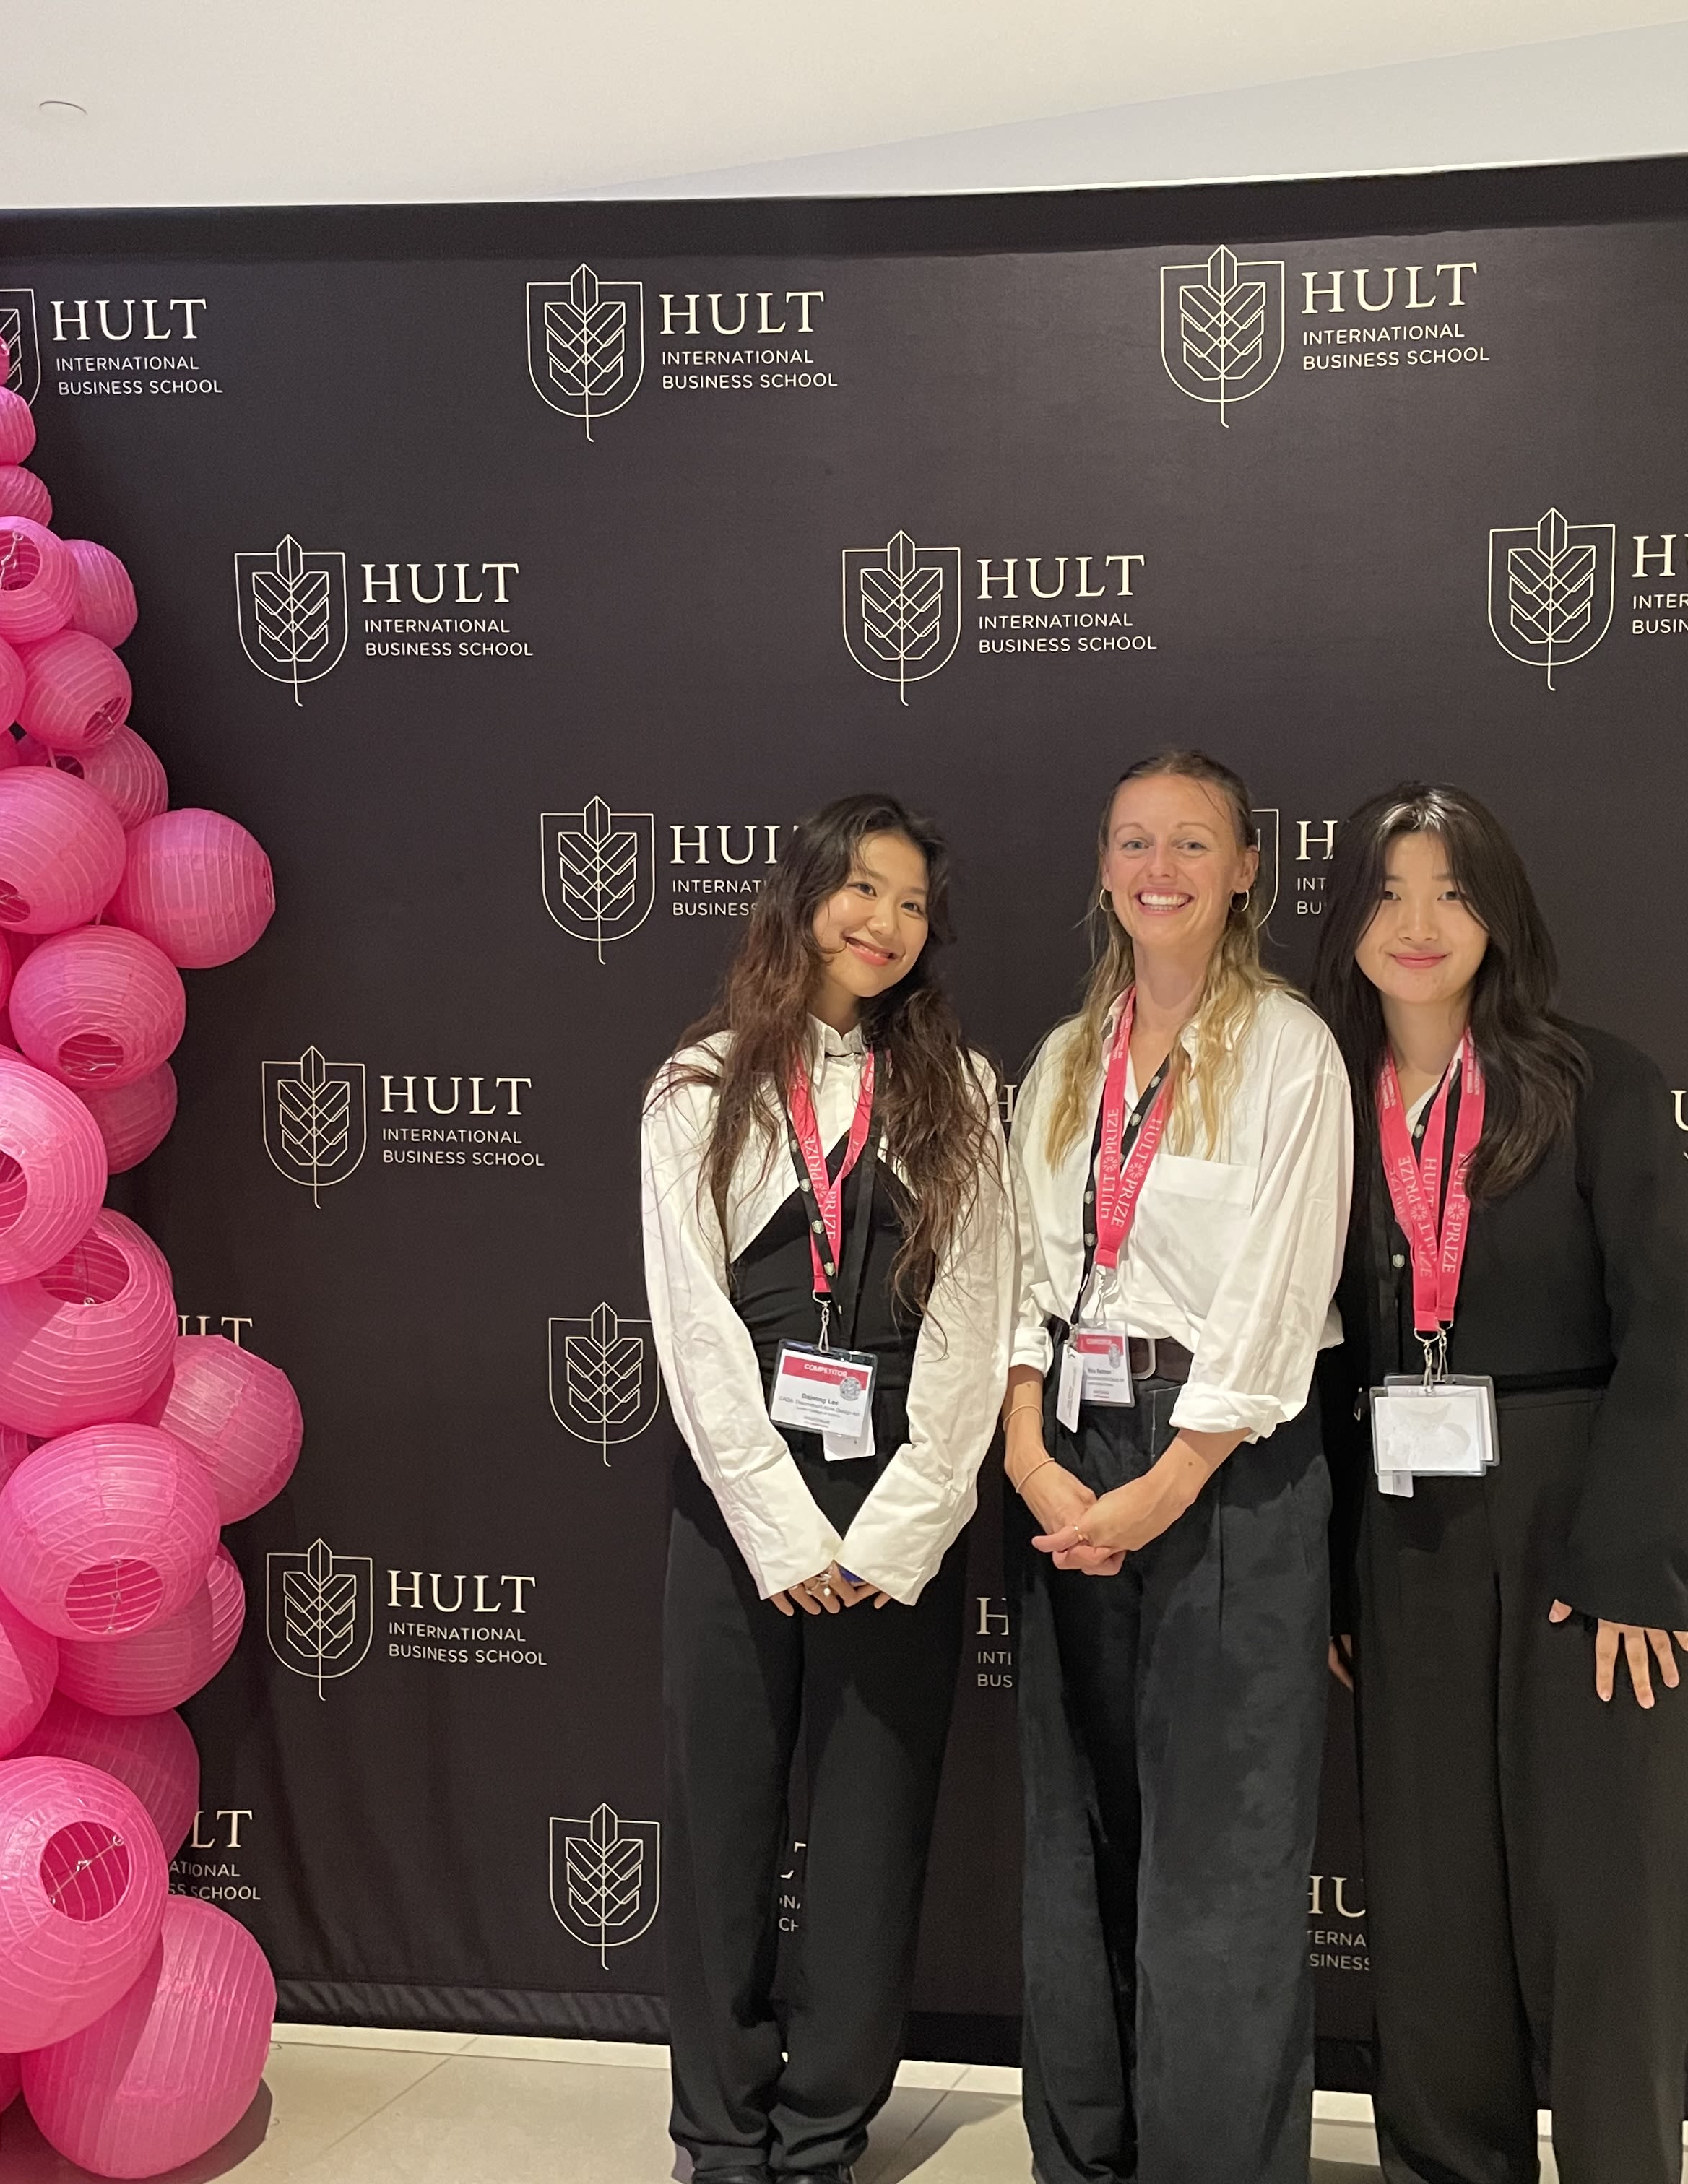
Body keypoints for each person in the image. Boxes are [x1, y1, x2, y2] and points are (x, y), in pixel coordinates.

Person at [1304, 782, 1688, 2184]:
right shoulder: (1320, 1111)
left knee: (1607, 1912)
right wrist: (1331, 1579)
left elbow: (1668, 1332)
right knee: (1428, 1908)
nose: (1418, 926)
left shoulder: (1599, 1083)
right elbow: (1308, 1354)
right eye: (1387, 893)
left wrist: (1633, 1561)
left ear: (1502, 912)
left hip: (1586, 1523)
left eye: (1452, 891)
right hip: (1405, 1531)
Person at [639, 792, 1012, 2184]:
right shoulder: (698, 1088)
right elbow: (690, 1327)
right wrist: (780, 1527)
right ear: (802, 899)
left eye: (913, 903)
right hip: (741, 1501)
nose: (884, 922)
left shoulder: (966, 1091)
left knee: (868, 1833)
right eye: (862, 889)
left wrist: (902, 1527)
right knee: (722, 1817)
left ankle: (822, 2134)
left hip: (901, 1503)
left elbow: (979, 1321)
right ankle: (720, 2133)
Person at [999, 748, 1353, 2184]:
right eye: (1137, 842)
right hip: (1069, 1453)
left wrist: (1171, 1479)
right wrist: (1026, 1447)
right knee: (1083, 1825)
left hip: (1229, 1465)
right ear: (1104, 865)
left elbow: (1277, 1290)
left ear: (1247, 868)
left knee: (1224, 1845)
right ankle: (1088, 2150)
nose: (1163, 868)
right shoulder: (1066, 1058)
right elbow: (1023, 1267)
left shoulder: (1289, 1052)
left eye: (1194, 844)